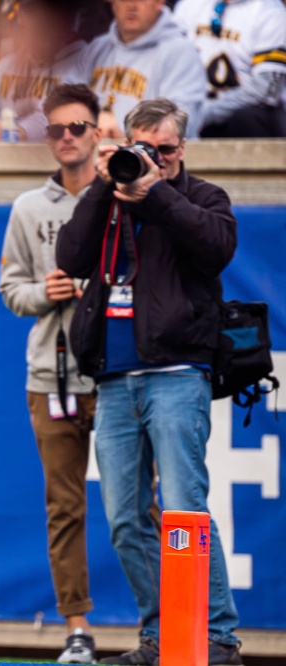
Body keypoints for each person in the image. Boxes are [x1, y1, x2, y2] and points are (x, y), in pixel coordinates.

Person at [55, 97, 242, 666]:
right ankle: (162, 636)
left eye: (163, 150)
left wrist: (156, 194)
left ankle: (218, 639)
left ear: (181, 150)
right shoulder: (108, 198)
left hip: (178, 374)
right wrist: (101, 184)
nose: (152, 160)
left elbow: (217, 248)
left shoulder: (202, 196)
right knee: (124, 517)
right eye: (143, 150)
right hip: (114, 377)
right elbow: (70, 255)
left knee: (185, 506)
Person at [0, 83, 101, 664]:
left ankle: (160, 623)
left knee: (142, 507)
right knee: (64, 507)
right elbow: (10, 288)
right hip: (51, 373)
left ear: (97, 131)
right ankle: (77, 629)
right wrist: (45, 291)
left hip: (117, 374)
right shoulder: (29, 207)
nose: (67, 138)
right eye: (56, 130)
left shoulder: (126, 197)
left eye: (77, 128)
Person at [83, 0, 206, 139]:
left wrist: (121, 139)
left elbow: (179, 130)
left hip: (151, 159)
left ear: (159, 3)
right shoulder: (95, 49)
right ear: (112, 4)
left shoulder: (181, 53)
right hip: (94, 155)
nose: (131, 6)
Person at [172, 0, 286, 138]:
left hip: (242, 117)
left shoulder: (272, 13)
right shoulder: (188, 6)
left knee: (249, 118)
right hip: (193, 109)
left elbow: (265, 91)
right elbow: (169, 66)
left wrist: (204, 113)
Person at [0, 0, 88, 142]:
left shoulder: (82, 62)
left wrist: (22, 132)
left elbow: (54, 115)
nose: (41, 22)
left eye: (48, 13)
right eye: (33, 12)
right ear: (20, 16)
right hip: (5, 159)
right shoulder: (1, 69)